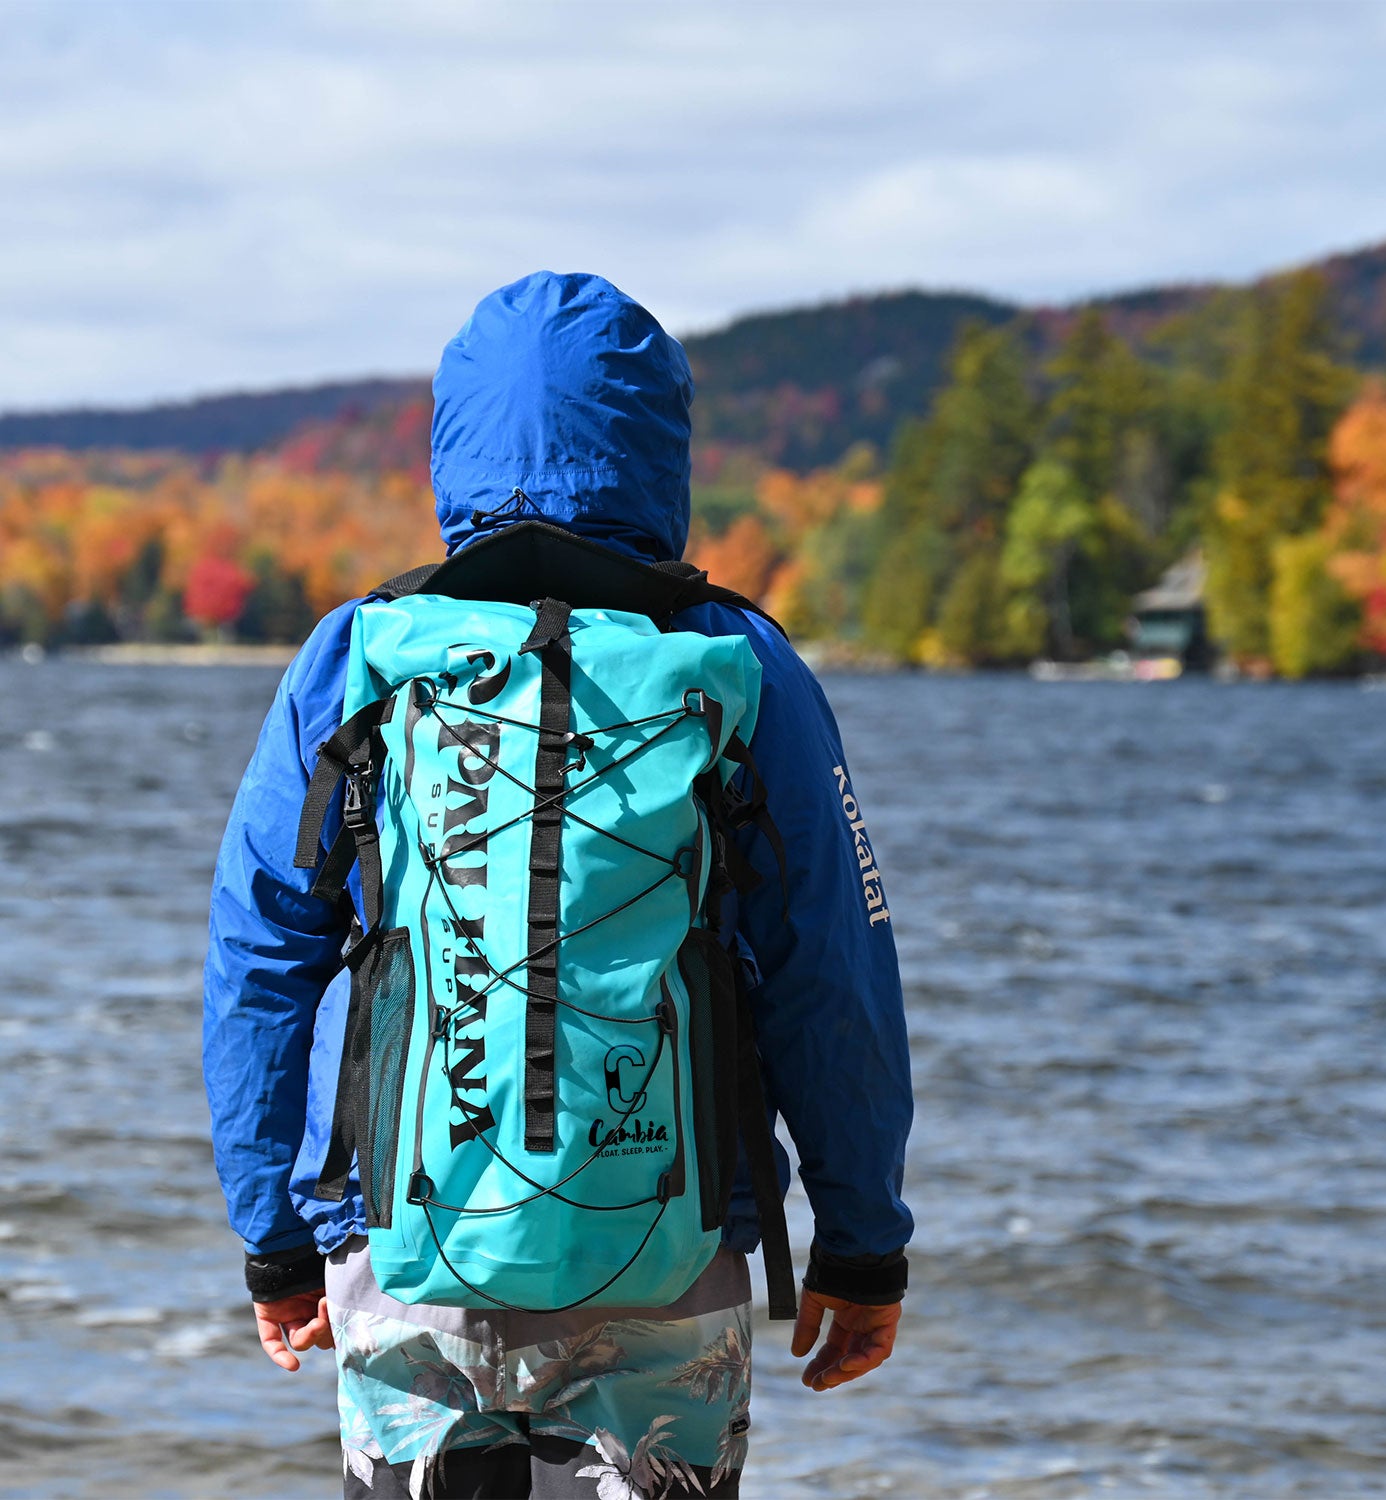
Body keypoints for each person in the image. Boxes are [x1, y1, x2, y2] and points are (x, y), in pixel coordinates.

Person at [203, 270, 913, 1499]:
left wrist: (274, 1234)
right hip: (668, 1249)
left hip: (399, 1243)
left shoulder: (361, 652)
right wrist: (863, 1240)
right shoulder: (736, 663)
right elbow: (830, 968)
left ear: (455, 438)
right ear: (659, 441)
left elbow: (261, 951)